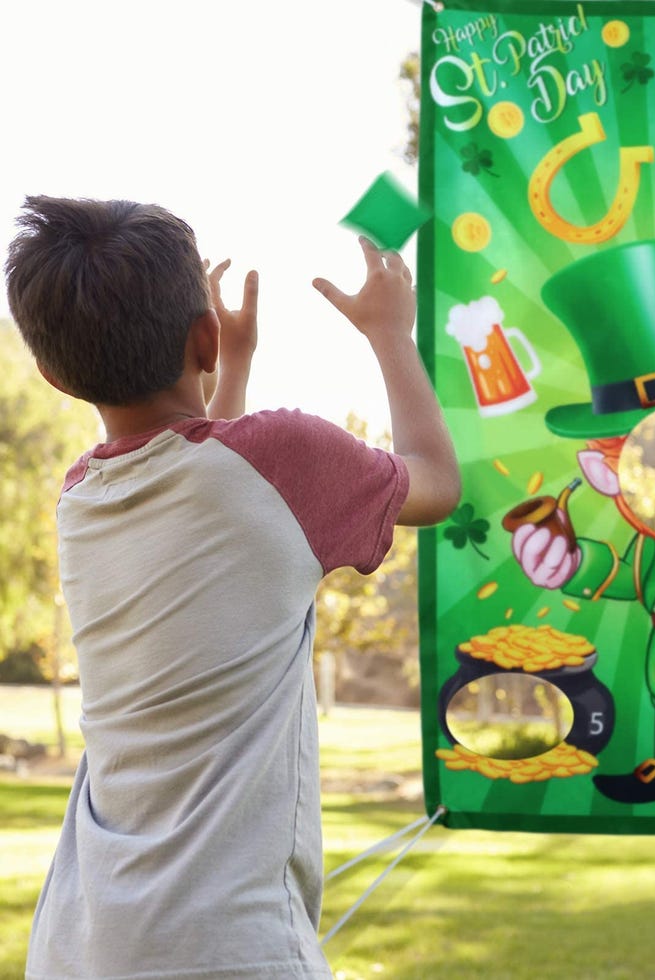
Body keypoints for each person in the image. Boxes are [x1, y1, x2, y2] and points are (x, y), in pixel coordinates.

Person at [4, 195, 460, 979]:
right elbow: (438, 483)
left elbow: (214, 483)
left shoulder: (81, 498)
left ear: (51, 375)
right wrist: (390, 334)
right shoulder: (282, 456)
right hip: (229, 947)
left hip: (81, 945)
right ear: (201, 335)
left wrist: (232, 364)